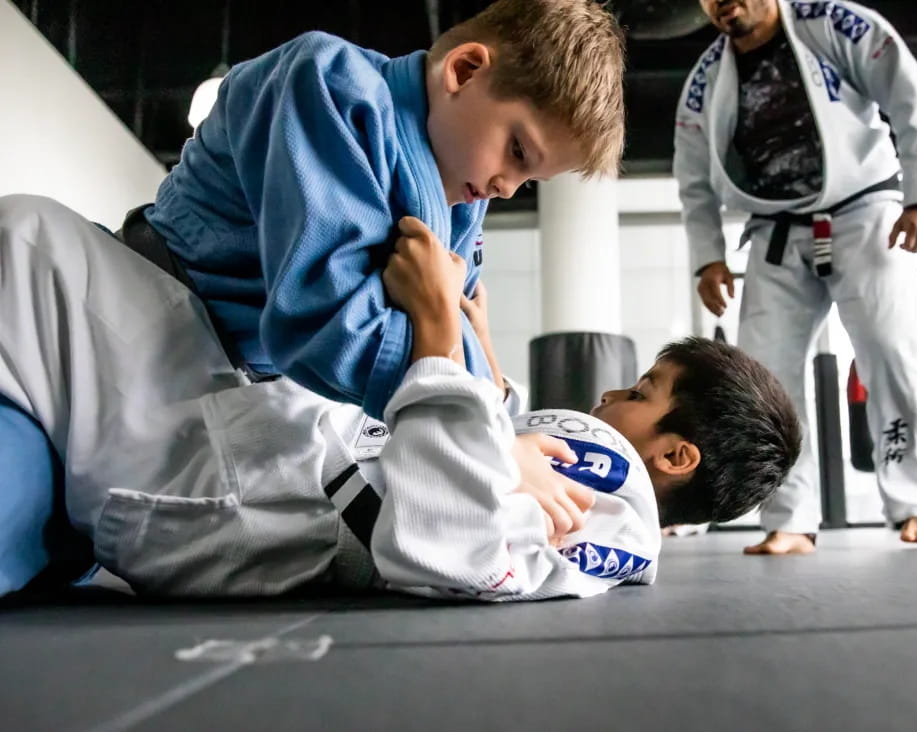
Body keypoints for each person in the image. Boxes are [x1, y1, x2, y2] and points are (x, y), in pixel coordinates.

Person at [0, 0, 625, 596]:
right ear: (464, 69)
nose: (505, 187)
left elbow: (451, 342)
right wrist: (486, 439)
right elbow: (327, 324)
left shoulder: (460, 205)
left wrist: (490, 417)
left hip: (219, 379)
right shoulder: (331, 84)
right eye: (517, 151)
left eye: (528, 179)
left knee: (59, 526)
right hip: (129, 312)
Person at [0, 196, 800, 600]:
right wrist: (476, 352)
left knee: (29, 237)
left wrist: (436, 328)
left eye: (640, 391)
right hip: (260, 469)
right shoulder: (605, 510)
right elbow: (486, 468)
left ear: (674, 455)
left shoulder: (610, 488)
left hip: (231, 493)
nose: (609, 393)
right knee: (42, 248)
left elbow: (448, 533)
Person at [673, 0, 917, 553]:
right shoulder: (705, 79)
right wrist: (708, 256)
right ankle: (789, 521)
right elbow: (693, 177)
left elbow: (909, 93)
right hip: (775, 231)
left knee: (893, 351)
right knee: (765, 379)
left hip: (865, 213)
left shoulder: (832, 23)